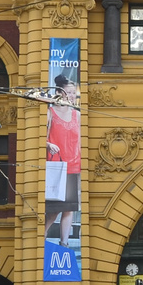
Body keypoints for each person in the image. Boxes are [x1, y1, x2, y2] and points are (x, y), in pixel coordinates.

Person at [45, 75, 82, 247]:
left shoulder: (77, 115)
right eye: (69, 92)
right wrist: (48, 144)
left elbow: (82, 142)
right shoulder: (49, 113)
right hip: (56, 167)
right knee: (54, 210)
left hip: (74, 166)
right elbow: (41, 138)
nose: (72, 96)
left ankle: (64, 244)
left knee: (70, 208)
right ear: (60, 92)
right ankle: (42, 238)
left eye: (74, 92)